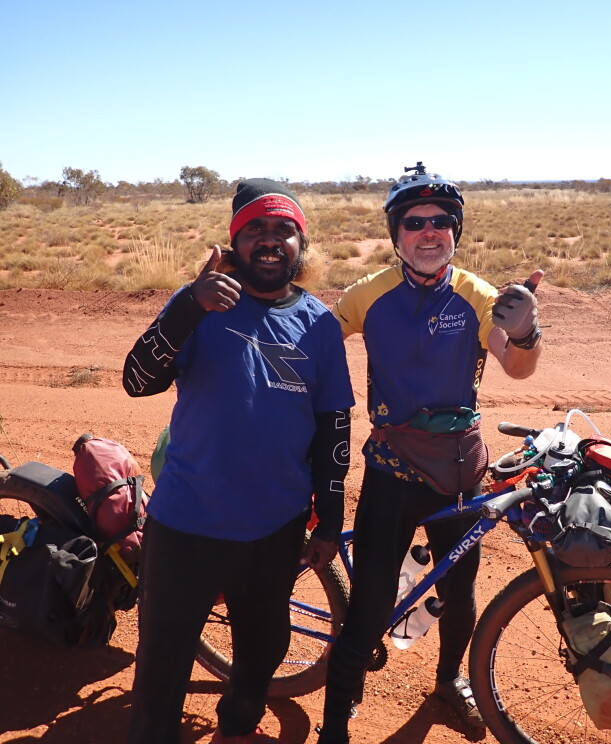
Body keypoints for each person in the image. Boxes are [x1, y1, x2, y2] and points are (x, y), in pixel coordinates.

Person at [122, 178, 355, 744]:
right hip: (185, 521)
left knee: (263, 648)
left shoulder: (320, 324)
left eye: (283, 230)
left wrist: (329, 516)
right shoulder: (201, 304)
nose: (270, 240)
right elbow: (136, 380)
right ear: (234, 242)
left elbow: (334, 424)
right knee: (162, 661)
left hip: (274, 527)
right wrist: (188, 304)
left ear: (301, 245)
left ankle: (237, 726)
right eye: (255, 229)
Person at [317, 163, 543, 743]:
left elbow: (516, 366)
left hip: (459, 471)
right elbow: (312, 342)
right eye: (413, 222)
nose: (428, 232)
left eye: (440, 221)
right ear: (396, 234)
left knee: (460, 596)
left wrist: (525, 334)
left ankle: (447, 682)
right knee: (368, 609)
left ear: (455, 231)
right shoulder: (368, 295)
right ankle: (335, 723)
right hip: (391, 472)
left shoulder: (479, 295)